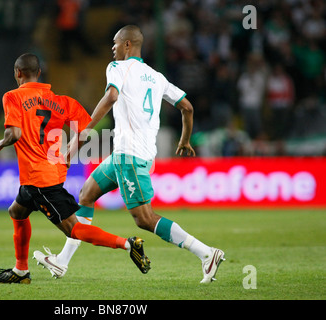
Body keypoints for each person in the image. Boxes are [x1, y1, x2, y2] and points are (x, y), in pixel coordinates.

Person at [34, 25, 225, 284]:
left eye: (115, 42)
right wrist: (184, 140)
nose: (112, 48)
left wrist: (81, 135)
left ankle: (206, 253)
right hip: (134, 154)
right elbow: (187, 108)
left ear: (127, 45)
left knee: (144, 219)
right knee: (86, 194)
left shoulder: (117, 68)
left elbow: (111, 96)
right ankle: (61, 261)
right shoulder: (157, 77)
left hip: (130, 156)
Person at [0, 53, 150, 284]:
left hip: (39, 179)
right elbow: (85, 129)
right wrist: (70, 151)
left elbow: (13, 134)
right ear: (40, 73)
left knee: (74, 230)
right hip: (50, 172)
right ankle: (21, 271)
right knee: (16, 211)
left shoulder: (12, 97)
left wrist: (0, 142)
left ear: (18, 73)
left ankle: (128, 244)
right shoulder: (63, 102)